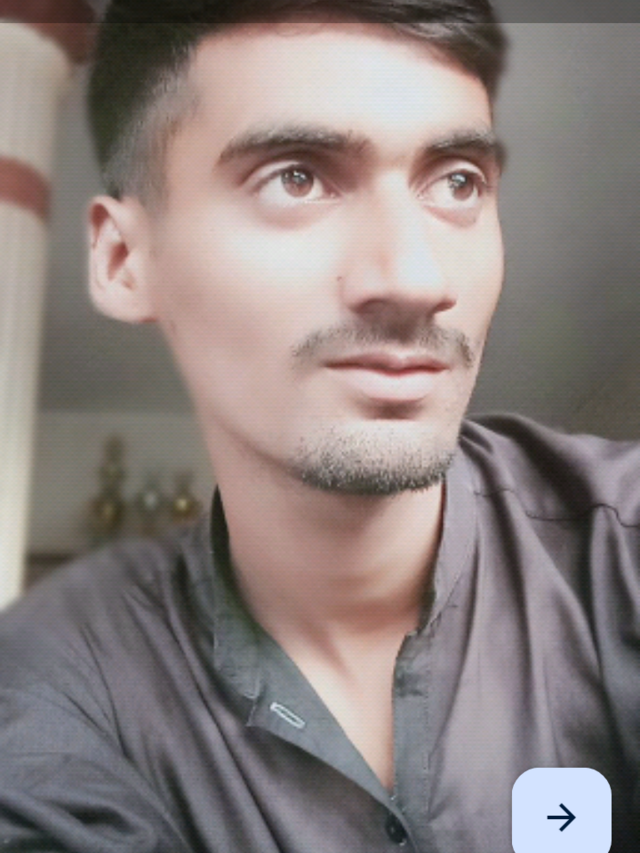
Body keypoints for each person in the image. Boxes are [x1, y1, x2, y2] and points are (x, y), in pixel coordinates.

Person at [0, 1, 638, 851]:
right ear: (125, 259)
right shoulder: (56, 683)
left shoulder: (621, 551)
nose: (416, 279)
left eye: (457, 181)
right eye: (296, 176)